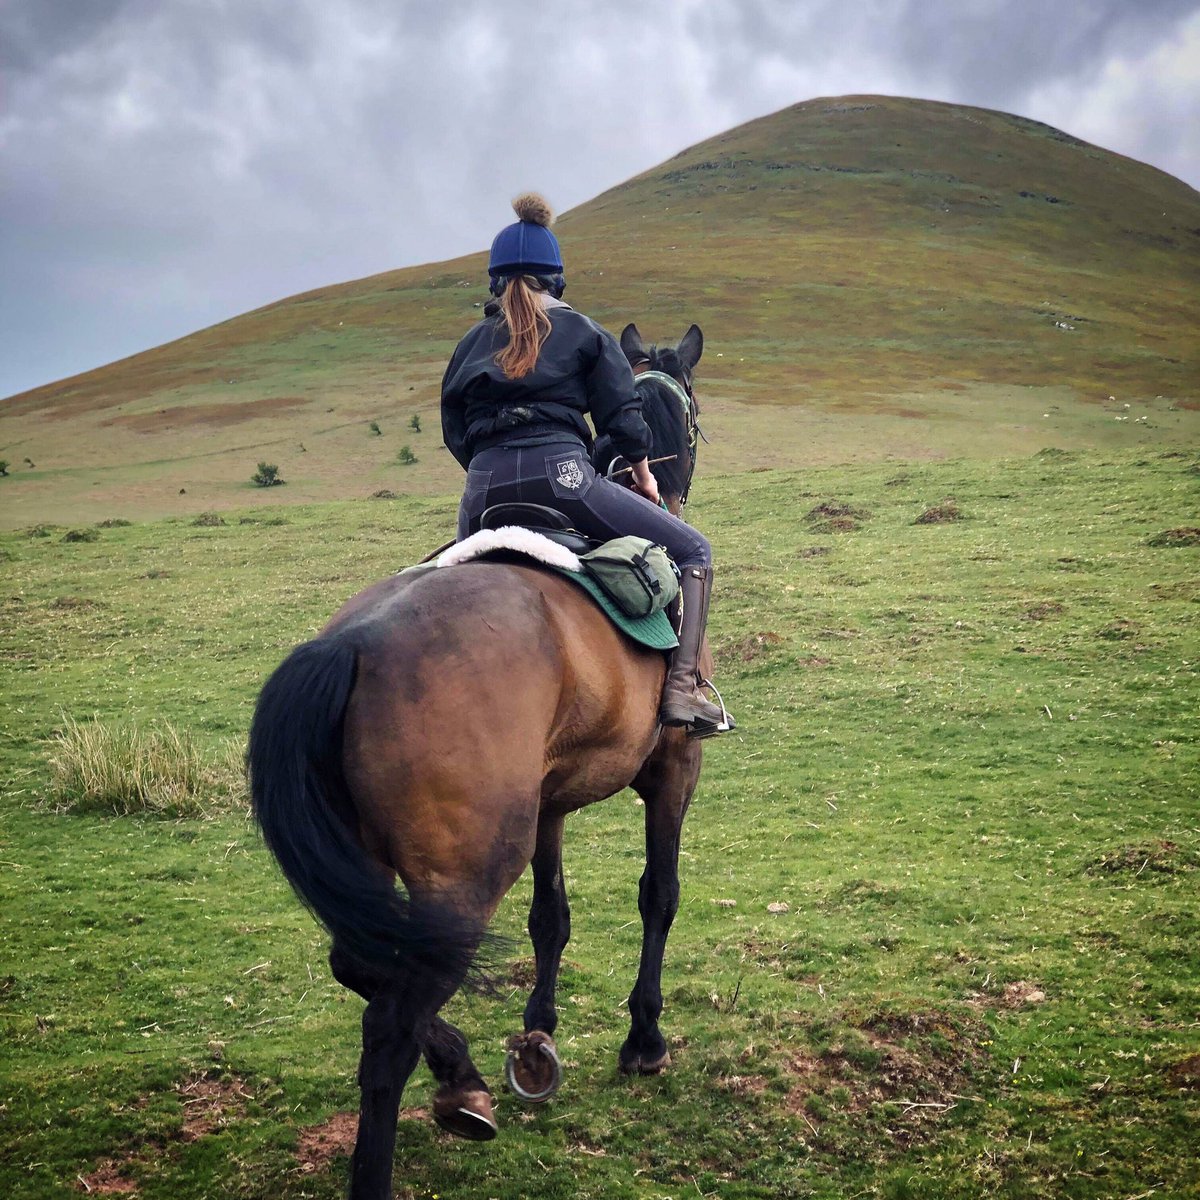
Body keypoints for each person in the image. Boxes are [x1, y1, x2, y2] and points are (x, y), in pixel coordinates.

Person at [440, 193, 733, 737]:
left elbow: (454, 432)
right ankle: (683, 690)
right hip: (566, 482)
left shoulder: (469, 345)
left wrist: (492, 469)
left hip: (481, 495)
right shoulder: (583, 333)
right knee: (695, 549)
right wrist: (643, 475)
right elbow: (624, 419)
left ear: (494, 281)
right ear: (556, 280)